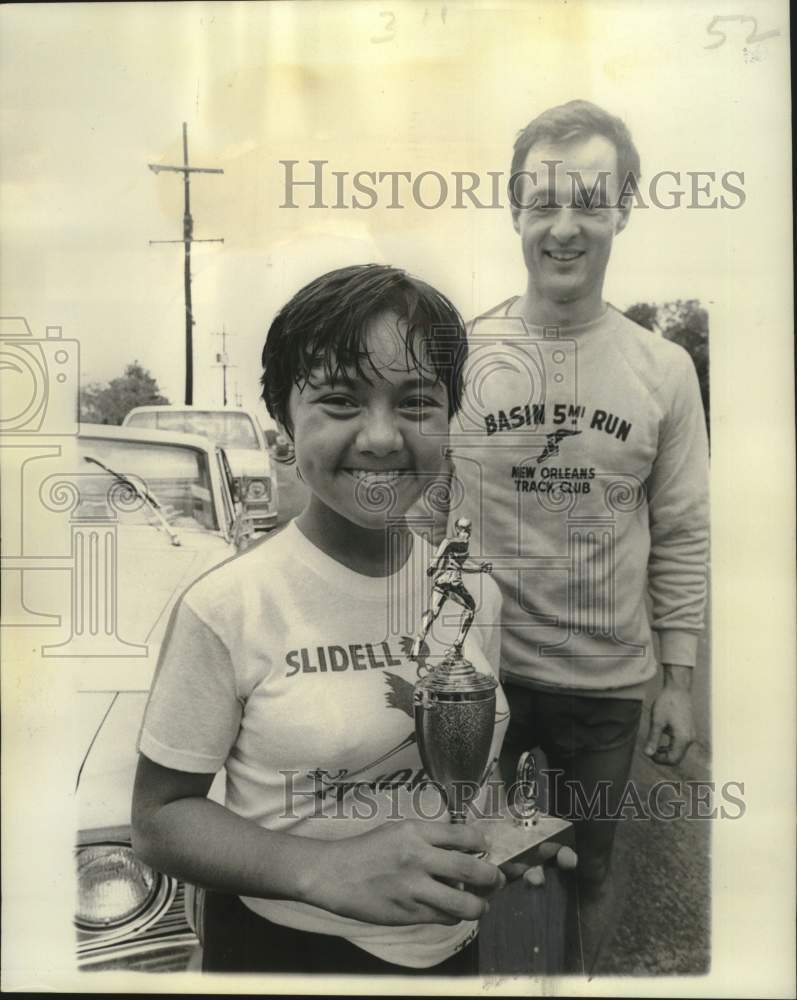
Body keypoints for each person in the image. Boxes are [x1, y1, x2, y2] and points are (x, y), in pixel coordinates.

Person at [131, 264, 565, 976]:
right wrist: (320, 868)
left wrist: (501, 837)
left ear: (448, 418)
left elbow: (457, 773)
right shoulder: (229, 605)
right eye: (339, 400)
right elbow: (158, 821)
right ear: (283, 421)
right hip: (287, 953)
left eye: (417, 403)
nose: (382, 437)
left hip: (453, 947)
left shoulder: (470, 592)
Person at [445, 100, 710, 969]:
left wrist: (676, 679)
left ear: (623, 207)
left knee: (586, 874)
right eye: (542, 201)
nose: (564, 228)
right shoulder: (466, 358)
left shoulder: (662, 369)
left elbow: (678, 528)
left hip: (605, 689)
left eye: (589, 201)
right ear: (513, 207)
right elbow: (418, 522)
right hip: (481, 685)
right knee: (474, 873)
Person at [411, 518, 492, 659]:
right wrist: (434, 563)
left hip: (442, 581)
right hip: (453, 581)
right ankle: (457, 646)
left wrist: (480, 568)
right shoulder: (461, 542)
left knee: (433, 612)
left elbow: (460, 565)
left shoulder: (462, 544)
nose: (467, 532)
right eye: (465, 529)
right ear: (459, 529)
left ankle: (419, 640)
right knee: (470, 607)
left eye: (468, 529)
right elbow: (446, 543)